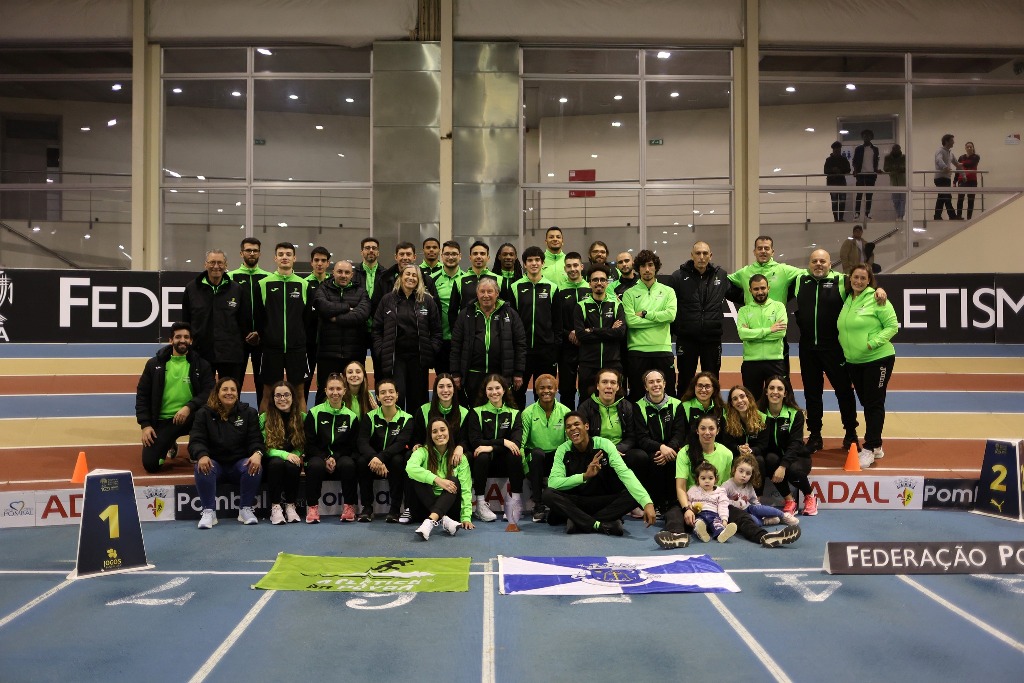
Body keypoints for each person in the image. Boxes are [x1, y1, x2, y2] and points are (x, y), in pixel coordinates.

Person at [655, 415, 801, 549]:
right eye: (703, 428)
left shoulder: (726, 453)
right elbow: (680, 487)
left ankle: (765, 536)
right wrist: (687, 509)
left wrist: (724, 512)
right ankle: (677, 537)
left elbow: (725, 487)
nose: (707, 432)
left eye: (711, 428)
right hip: (692, 502)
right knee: (673, 513)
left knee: (742, 517)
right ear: (697, 431)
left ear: (717, 431)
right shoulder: (685, 452)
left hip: (717, 504)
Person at [791, 249, 861, 452]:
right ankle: (815, 435)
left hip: (835, 349)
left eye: (823, 261)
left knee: (844, 392)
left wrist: (878, 290)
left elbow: (864, 286)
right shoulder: (799, 281)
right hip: (807, 349)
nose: (818, 264)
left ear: (831, 264)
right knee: (812, 394)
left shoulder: (842, 281)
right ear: (809, 264)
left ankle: (851, 433)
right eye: (814, 261)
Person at [543, 411, 657, 535]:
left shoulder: (604, 444)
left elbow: (625, 473)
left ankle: (578, 521)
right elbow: (553, 482)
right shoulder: (563, 449)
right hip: (577, 501)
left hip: (603, 500)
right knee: (548, 494)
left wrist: (647, 502)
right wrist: (584, 476)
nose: (572, 429)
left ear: (586, 426)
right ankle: (600, 523)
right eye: (568, 426)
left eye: (576, 424)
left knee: (635, 495)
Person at [839, 264, 898, 468]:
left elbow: (892, 326)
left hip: (878, 358)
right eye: (855, 277)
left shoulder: (877, 298)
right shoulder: (848, 298)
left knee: (874, 403)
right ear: (850, 278)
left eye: (863, 278)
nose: (858, 281)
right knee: (868, 402)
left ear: (869, 280)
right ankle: (878, 444)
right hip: (855, 361)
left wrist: (872, 343)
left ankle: (871, 447)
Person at [136, 322, 215, 473]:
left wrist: (188, 407)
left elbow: (209, 392)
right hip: (162, 421)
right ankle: (169, 442)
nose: (182, 340)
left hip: (190, 417)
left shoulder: (201, 364)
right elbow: (142, 395)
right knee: (151, 465)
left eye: (186, 337)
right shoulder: (154, 365)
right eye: (178, 337)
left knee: (206, 413)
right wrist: (145, 425)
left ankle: (196, 446)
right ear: (171, 340)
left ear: (191, 341)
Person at [188, 377, 265, 529]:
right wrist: (202, 455)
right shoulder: (203, 413)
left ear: (238, 393)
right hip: (215, 464)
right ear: (217, 393)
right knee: (201, 466)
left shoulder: (248, 413)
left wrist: (257, 453)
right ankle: (209, 512)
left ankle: (245, 509)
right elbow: (196, 441)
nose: (229, 393)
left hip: (238, 464)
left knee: (255, 466)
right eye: (225, 389)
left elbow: (255, 439)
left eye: (233, 390)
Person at [669, 241, 742, 394]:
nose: (701, 257)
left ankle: (713, 416)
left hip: (712, 339)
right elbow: (668, 305)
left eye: (705, 253)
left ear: (710, 255)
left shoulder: (720, 275)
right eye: (698, 253)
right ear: (692, 255)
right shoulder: (678, 277)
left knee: (712, 381)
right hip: (686, 339)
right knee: (685, 381)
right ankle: (683, 416)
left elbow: (740, 296)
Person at [577, 368, 649, 518]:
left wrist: (617, 449)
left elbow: (631, 437)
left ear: (618, 387)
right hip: (596, 451)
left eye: (613, 383)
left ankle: (632, 502)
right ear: (598, 386)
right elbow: (584, 436)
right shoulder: (586, 406)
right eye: (604, 382)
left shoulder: (627, 407)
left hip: (620, 451)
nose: (608, 386)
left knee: (640, 456)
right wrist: (606, 450)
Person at [372, 264, 442, 411]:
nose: (411, 277)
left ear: (419, 279)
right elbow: (377, 329)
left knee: (418, 401)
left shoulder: (427, 301)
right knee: (398, 396)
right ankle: (396, 431)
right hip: (395, 358)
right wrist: (381, 350)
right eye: (408, 274)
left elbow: (436, 331)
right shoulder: (387, 300)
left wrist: (431, 350)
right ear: (400, 277)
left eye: (414, 275)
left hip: (418, 359)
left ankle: (416, 433)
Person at [728, 236, 802, 374]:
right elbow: (722, 280)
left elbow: (810, 274)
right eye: (759, 248)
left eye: (766, 248)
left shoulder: (784, 270)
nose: (763, 251)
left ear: (772, 251)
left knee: (782, 385)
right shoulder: (744, 272)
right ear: (754, 251)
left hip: (777, 339)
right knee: (753, 388)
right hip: (753, 341)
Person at [450, 276, 526, 407]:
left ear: (497, 293)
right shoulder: (465, 314)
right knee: (475, 411)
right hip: (473, 374)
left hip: (501, 373)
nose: (486, 295)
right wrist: (456, 373)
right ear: (477, 293)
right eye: (482, 291)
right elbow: (456, 345)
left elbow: (520, 344)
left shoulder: (510, 314)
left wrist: (518, 372)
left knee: (499, 408)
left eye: (490, 291)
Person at [466, 374, 525, 530]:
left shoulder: (514, 413)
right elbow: (475, 442)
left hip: (505, 462)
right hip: (484, 464)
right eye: (490, 389)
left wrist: (492, 446)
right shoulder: (476, 412)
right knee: (481, 455)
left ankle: (515, 501)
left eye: (497, 388)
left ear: (504, 390)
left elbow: (516, 443)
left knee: (515, 454)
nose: (494, 392)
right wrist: (503, 442)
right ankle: (479, 504)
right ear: (485, 392)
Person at [181, 249, 245, 387]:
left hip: (230, 355)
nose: (216, 266)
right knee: (202, 395)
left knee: (230, 396)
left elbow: (242, 322)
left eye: (220, 262)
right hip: (201, 353)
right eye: (212, 262)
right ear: (205, 264)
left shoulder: (236, 290)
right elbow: (186, 321)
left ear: (226, 265)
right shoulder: (192, 288)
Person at [303, 372, 361, 523]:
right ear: (325, 391)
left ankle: (349, 507)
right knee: (315, 465)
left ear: (344, 391)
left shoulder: (351, 416)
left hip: (340, 456)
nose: (335, 392)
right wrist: (325, 457)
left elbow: (351, 445)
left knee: (349, 464)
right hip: (318, 455)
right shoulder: (314, 413)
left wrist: (334, 457)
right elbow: (309, 443)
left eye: (338, 389)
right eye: (331, 389)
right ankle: (313, 507)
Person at [756, 376, 817, 517]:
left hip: (797, 456)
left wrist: (783, 466)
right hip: (775, 456)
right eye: (771, 388)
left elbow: (795, 444)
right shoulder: (759, 414)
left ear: (785, 393)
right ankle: (790, 501)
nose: (775, 392)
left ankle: (810, 495)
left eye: (779, 389)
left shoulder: (795, 414)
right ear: (766, 392)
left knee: (794, 470)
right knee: (770, 459)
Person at [621, 249, 677, 402]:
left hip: (662, 349)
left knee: (669, 393)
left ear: (655, 267)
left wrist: (646, 313)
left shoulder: (668, 292)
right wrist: (658, 319)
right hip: (637, 351)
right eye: (643, 266)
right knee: (637, 395)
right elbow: (631, 322)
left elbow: (670, 316)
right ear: (637, 269)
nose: (647, 269)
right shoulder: (629, 294)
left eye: (650, 265)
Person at [313, 259, 370, 406]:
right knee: (325, 391)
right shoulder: (323, 289)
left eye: (346, 272)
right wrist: (346, 307)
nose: (343, 275)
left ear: (352, 275)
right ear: (333, 273)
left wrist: (334, 318)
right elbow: (323, 308)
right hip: (327, 353)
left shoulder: (361, 291)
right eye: (339, 272)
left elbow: (361, 315)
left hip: (354, 352)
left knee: (356, 392)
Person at [509, 245, 561, 407]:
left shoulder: (552, 288)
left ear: (542, 263)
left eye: (537, 260)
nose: (534, 263)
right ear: (524, 264)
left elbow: (557, 322)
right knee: (517, 393)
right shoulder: (515, 287)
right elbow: (511, 320)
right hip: (522, 352)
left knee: (545, 395)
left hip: (546, 352)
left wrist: (554, 349)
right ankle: (519, 429)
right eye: (530, 260)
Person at [406, 418, 475, 540]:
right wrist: (437, 480)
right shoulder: (422, 452)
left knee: (454, 481)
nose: (439, 434)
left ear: (449, 432)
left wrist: (466, 517)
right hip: (423, 508)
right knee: (417, 477)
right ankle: (443, 520)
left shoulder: (459, 457)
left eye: (443, 430)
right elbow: (410, 468)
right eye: (435, 431)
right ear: (430, 435)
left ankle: (430, 522)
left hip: (450, 509)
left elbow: (466, 488)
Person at [355, 378, 413, 522]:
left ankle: (394, 509)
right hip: (374, 459)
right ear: (378, 397)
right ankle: (367, 507)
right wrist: (375, 458)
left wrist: (381, 458)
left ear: (397, 395)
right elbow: (362, 441)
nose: (388, 395)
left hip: (392, 458)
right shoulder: (370, 417)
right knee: (362, 461)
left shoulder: (407, 418)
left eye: (391, 392)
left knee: (398, 461)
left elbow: (401, 443)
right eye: (383, 392)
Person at [256, 242, 310, 389]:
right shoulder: (263, 284)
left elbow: (306, 318)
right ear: (275, 258)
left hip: (296, 348)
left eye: (288, 254)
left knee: (299, 393)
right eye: (280, 254)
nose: (284, 257)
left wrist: (299, 337)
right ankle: (267, 414)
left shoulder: (303, 284)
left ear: (294, 258)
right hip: (271, 349)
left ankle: (299, 414)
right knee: (268, 393)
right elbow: (260, 316)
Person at [634, 368, 687, 515]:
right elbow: (642, 438)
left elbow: (679, 432)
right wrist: (660, 448)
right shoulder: (639, 406)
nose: (655, 385)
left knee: (675, 460)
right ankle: (656, 503)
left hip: (671, 449)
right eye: (651, 382)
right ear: (646, 387)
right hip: (652, 450)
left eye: (658, 381)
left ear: (664, 384)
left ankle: (672, 502)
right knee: (654, 461)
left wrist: (669, 449)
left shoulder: (676, 404)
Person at [519, 374, 570, 523]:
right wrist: (526, 469)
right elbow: (521, 445)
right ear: (536, 390)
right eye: (542, 388)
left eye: (550, 387)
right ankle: (538, 504)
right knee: (537, 453)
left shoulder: (565, 412)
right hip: (535, 460)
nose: (546, 391)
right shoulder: (528, 413)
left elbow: (568, 444)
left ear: (556, 389)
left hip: (556, 458)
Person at [229, 238, 272, 406]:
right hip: (237, 341)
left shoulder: (268, 278)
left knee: (263, 384)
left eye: (255, 250)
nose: (252, 253)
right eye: (248, 250)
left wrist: (260, 332)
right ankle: (233, 421)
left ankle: (263, 423)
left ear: (260, 253)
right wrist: (241, 334)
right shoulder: (230, 277)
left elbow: (271, 312)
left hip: (262, 340)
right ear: (241, 253)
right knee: (234, 384)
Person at [574, 263, 625, 400]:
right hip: (588, 365)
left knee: (616, 403)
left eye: (602, 280)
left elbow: (620, 333)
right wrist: (609, 331)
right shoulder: (581, 306)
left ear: (607, 283)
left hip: (612, 363)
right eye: (595, 280)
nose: (599, 283)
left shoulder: (617, 305)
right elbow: (581, 335)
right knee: (585, 403)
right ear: (589, 283)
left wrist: (592, 330)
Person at [259, 380, 306, 525]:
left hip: (293, 459)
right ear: (273, 399)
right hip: (272, 459)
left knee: (292, 466)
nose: (282, 399)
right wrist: (286, 455)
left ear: (293, 397)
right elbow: (264, 447)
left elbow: (304, 443)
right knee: (277, 464)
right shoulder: (264, 418)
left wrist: (296, 454)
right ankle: (276, 507)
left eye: (286, 395)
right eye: (278, 396)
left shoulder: (302, 417)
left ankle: (291, 505)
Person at [736, 274, 787, 401]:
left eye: (763, 288)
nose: (760, 292)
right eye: (756, 289)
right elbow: (743, 334)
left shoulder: (779, 307)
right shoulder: (743, 311)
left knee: (777, 400)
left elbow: (780, 333)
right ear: (750, 290)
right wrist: (769, 330)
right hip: (751, 362)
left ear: (768, 288)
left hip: (775, 361)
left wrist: (752, 334)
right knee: (753, 402)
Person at [554, 251, 590, 407]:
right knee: (566, 389)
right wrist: (569, 333)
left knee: (586, 388)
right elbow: (555, 320)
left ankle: (584, 423)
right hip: (566, 348)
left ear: (581, 267)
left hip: (587, 347)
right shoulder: (558, 291)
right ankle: (568, 423)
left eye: (575, 265)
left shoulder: (591, 289)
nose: (572, 269)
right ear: (565, 269)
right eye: (569, 266)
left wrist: (584, 333)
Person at [448, 241, 511, 331]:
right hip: (467, 333)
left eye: (482, 253)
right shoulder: (459, 281)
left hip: (493, 333)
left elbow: (506, 310)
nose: (478, 256)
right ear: (470, 257)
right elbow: (452, 312)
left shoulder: (499, 280)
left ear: (488, 257)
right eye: (475, 253)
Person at [722, 454, 799, 527]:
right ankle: (765, 521)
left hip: (748, 508)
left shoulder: (749, 485)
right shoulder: (727, 485)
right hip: (737, 514)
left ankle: (783, 515)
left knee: (757, 508)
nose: (744, 475)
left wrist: (761, 512)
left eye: (748, 473)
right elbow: (720, 502)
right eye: (741, 471)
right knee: (752, 520)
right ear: (734, 470)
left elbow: (754, 501)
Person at [301, 246, 332, 403]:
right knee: (304, 382)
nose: (320, 263)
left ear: (328, 263)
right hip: (308, 342)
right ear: (311, 263)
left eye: (323, 260)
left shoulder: (332, 284)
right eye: (316, 260)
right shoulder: (304, 284)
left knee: (325, 384)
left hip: (328, 342)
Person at [431, 240, 465, 374]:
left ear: (460, 256)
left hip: (462, 340)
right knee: (442, 379)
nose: (451, 257)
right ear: (441, 256)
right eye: (447, 254)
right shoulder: (431, 279)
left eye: (454, 254)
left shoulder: (466, 279)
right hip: (440, 339)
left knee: (460, 381)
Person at [685, 461, 738, 543]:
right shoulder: (693, 490)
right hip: (699, 514)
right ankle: (702, 533)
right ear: (697, 479)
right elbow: (687, 501)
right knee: (698, 523)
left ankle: (722, 534)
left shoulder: (720, 491)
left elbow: (723, 506)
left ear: (715, 479)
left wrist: (724, 520)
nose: (707, 481)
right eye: (703, 478)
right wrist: (690, 508)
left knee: (718, 525)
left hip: (714, 515)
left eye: (710, 478)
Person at [376, 241, 440, 306]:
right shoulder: (384, 279)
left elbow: (435, 308)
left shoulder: (426, 280)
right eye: (401, 254)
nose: (405, 258)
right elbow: (377, 307)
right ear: (396, 257)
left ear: (414, 257)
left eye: (408, 254)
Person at [722, 385, 765, 460]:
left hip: (755, 455)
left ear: (748, 398)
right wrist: (738, 448)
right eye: (735, 399)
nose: (739, 401)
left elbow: (763, 444)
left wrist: (751, 450)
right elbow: (727, 443)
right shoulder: (726, 419)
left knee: (760, 459)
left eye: (742, 396)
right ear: (732, 403)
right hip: (735, 454)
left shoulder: (762, 418)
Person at [852, 129, 879, 220]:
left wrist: (876, 170)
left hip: (871, 174)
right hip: (860, 174)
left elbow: (875, 161)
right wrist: (855, 170)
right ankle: (857, 213)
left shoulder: (875, 149)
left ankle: (867, 213)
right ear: (862, 137)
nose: (866, 137)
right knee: (859, 194)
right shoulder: (858, 148)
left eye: (868, 135)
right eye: (864, 135)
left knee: (869, 195)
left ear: (871, 137)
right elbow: (854, 161)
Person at [933, 133, 961, 220]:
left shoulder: (950, 153)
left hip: (946, 178)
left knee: (941, 197)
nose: (954, 142)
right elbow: (938, 159)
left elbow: (957, 164)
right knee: (947, 196)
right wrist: (945, 167)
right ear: (946, 141)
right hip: (940, 178)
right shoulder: (940, 151)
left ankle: (937, 216)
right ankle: (952, 216)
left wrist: (963, 174)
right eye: (952, 140)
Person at [824, 140, 851, 222]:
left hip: (839, 183)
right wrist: (833, 170)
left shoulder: (843, 159)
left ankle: (840, 218)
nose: (837, 151)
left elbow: (848, 170)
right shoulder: (829, 160)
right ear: (833, 150)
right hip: (834, 183)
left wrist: (840, 170)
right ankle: (836, 218)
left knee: (841, 202)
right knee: (835, 202)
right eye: (836, 150)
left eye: (838, 150)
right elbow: (825, 171)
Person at [956, 141, 980, 219]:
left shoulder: (976, 157)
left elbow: (971, 163)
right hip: (962, 180)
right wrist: (954, 181)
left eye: (971, 147)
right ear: (965, 148)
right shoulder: (961, 157)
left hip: (972, 181)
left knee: (971, 200)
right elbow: (957, 169)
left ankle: (969, 218)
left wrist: (962, 164)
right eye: (968, 147)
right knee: (960, 199)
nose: (969, 148)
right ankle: (959, 216)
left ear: (973, 148)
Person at [883, 143, 907, 220]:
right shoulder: (888, 158)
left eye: (897, 149)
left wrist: (897, 169)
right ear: (892, 150)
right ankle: (898, 214)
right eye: (894, 149)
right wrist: (895, 170)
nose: (896, 151)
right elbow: (886, 168)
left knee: (903, 200)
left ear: (900, 150)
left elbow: (906, 167)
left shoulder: (904, 157)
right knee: (895, 200)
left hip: (903, 181)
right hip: (893, 181)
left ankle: (901, 215)